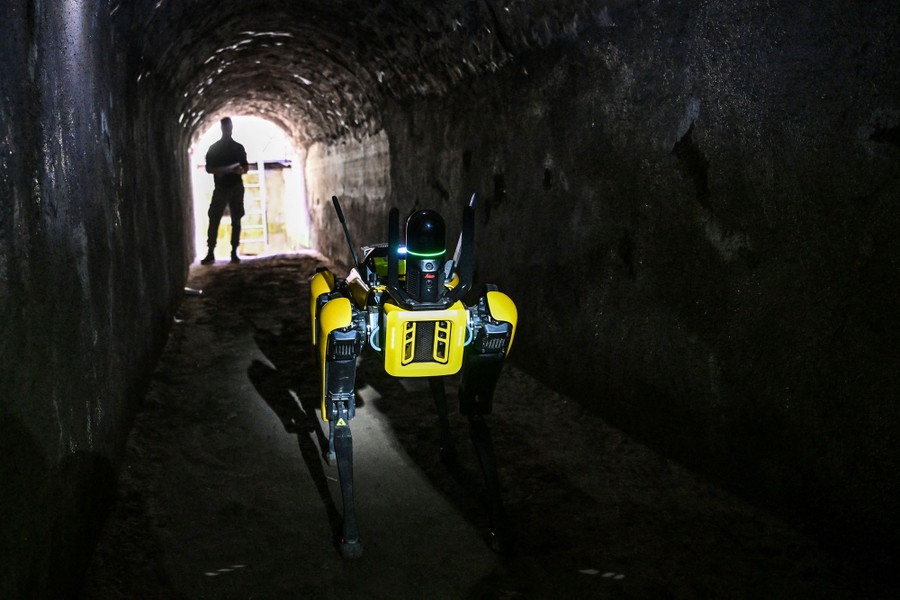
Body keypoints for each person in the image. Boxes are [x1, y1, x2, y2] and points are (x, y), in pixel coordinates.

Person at [201, 117, 249, 264]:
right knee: (214, 218)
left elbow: (245, 167)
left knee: (236, 218)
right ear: (222, 128)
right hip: (221, 187)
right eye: (226, 127)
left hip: (235, 186)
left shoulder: (238, 148)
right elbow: (208, 168)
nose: (228, 130)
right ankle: (211, 251)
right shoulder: (214, 148)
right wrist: (221, 170)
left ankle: (234, 251)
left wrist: (239, 170)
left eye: (229, 127)